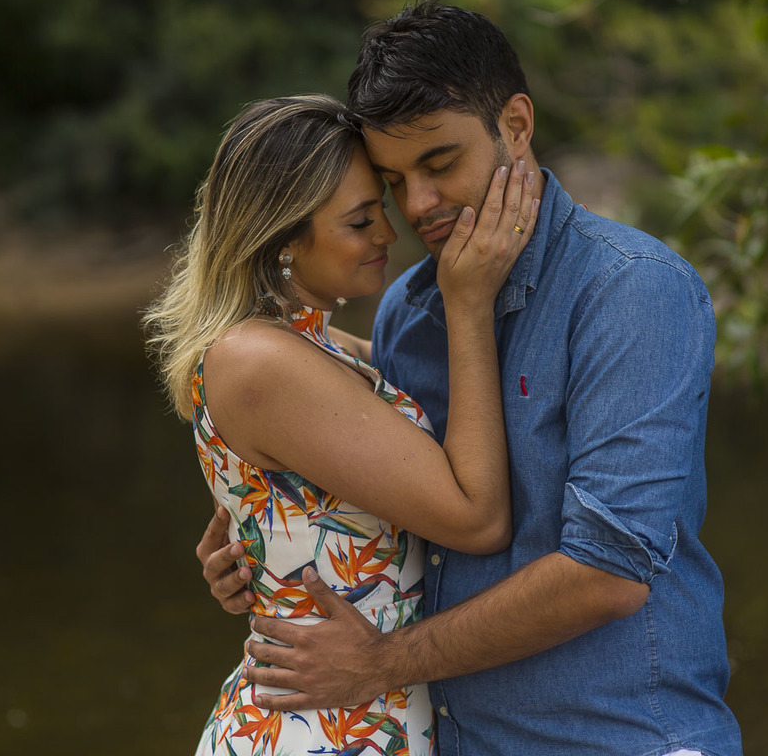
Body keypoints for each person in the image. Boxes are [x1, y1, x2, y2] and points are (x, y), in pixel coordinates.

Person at [196, 0, 742, 756]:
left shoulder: (633, 290)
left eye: (440, 163)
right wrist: (264, 538)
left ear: (515, 125)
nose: (416, 206)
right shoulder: (411, 313)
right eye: (392, 180)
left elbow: (607, 574)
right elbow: (386, 490)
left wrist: (381, 664)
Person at [144, 93, 538, 755]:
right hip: (315, 730)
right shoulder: (259, 361)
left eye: (380, 206)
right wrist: (467, 302)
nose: (390, 232)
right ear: (283, 241)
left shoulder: (320, 351)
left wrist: (254, 544)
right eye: (361, 221)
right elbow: (477, 518)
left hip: (359, 720)